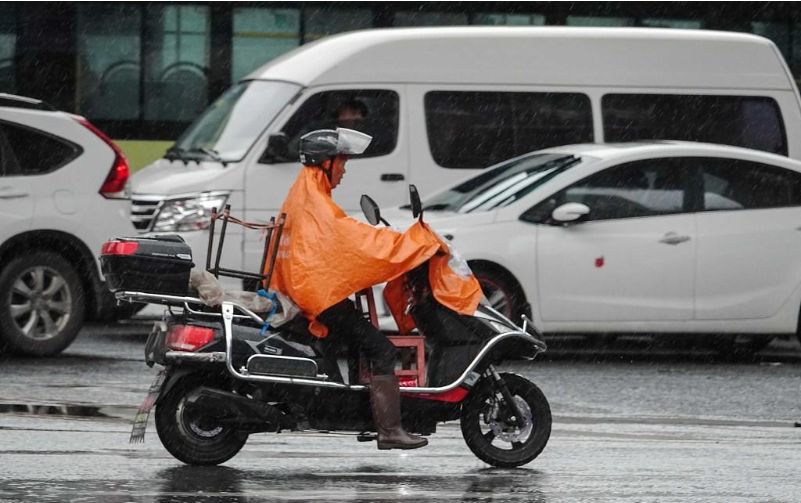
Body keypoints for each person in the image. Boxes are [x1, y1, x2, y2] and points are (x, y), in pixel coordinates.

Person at [267, 127, 446, 450]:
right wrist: (408, 242)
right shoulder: (314, 202)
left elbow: (341, 238)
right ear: (326, 164)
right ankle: (390, 430)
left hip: (310, 291)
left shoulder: (306, 193)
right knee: (382, 350)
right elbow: (351, 239)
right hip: (320, 296)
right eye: (342, 164)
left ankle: (360, 414)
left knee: (353, 345)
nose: (344, 172)